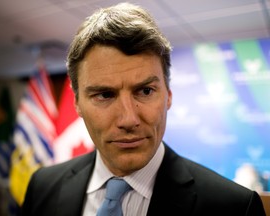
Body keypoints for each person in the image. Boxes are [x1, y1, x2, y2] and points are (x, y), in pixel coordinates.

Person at [21, 2, 266, 216]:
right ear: (77, 104)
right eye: (105, 95)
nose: (128, 119)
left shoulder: (235, 207)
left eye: (145, 91)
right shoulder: (42, 187)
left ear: (168, 95)